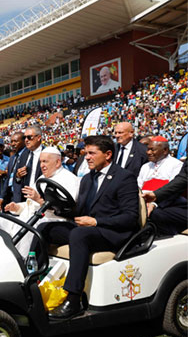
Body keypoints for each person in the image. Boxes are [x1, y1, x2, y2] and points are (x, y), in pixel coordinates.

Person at [34, 135, 139, 319]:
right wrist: (54, 207)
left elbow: (130, 217)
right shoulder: (87, 180)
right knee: (44, 228)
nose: (87, 157)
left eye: (91, 153)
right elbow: (78, 212)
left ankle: (73, 298)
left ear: (108, 154)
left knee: (79, 235)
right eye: (86, 153)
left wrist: (96, 222)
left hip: (113, 232)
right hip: (89, 230)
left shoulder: (124, 178)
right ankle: (36, 280)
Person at [0, 147, 80, 258]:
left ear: (58, 162)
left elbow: (65, 209)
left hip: (52, 220)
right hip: (29, 216)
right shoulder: (42, 177)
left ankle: (21, 263)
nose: (41, 165)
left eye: (45, 161)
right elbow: (31, 204)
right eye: (40, 161)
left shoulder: (70, 179)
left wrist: (40, 200)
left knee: (29, 227)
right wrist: (17, 207)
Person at [138, 137, 185, 235]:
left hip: (166, 204)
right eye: (148, 149)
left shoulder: (176, 165)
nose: (148, 152)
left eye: (152, 149)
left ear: (165, 150)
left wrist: (154, 204)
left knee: (156, 215)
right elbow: (139, 187)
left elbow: (174, 190)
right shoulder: (145, 166)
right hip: (143, 203)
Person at [0, 132, 25, 211]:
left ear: (24, 141)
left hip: (21, 195)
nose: (13, 144)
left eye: (16, 141)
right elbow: (8, 177)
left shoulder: (29, 155)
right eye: (12, 141)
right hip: (10, 194)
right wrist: (2, 196)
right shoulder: (12, 158)